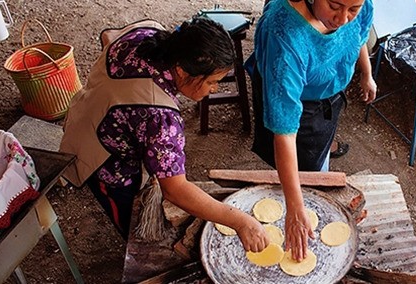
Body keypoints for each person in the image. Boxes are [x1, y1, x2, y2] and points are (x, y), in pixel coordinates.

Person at [59, 17, 268, 253]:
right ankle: (131, 243)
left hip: (90, 106)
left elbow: (108, 35)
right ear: (181, 70)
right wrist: (240, 221)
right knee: (128, 213)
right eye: (211, 81)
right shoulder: (159, 118)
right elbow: (175, 188)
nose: (215, 89)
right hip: (99, 152)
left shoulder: (149, 36)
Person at [248, 0, 376, 261]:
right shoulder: (284, 34)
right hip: (297, 102)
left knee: (318, 155)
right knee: (301, 167)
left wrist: (366, 72)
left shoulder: (358, 5)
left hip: (326, 95)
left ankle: (320, 162)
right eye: (334, 6)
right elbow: (284, 130)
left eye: (353, 9)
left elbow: (358, 32)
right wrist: (295, 211)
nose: (343, 19)